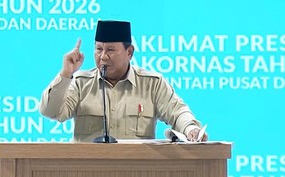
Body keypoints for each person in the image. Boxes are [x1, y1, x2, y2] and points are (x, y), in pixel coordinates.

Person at [39, 20, 208, 143]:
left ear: (129, 52)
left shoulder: (152, 84)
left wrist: (190, 129)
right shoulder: (80, 82)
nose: (103, 56)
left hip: (136, 172)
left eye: (111, 50)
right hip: (88, 171)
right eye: (98, 49)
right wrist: (66, 74)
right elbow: (51, 112)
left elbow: (178, 112)